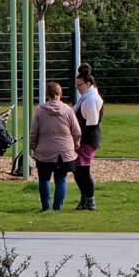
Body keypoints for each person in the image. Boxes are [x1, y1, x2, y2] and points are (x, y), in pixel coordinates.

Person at [31, 82, 82, 212]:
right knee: (61, 179)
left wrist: (34, 146)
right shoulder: (68, 110)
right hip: (64, 152)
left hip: (44, 151)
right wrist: (75, 145)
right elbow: (76, 131)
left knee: (44, 179)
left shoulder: (40, 110)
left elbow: (34, 132)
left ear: (47, 94)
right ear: (60, 93)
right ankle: (57, 208)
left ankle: (45, 207)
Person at [72, 63, 103, 211]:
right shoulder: (86, 97)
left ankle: (90, 200)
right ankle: (85, 198)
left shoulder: (91, 100)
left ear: (88, 84)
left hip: (87, 139)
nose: (78, 88)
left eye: (80, 85)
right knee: (78, 170)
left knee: (83, 170)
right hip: (84, 138)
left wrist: (78, 140)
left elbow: (91, 123)